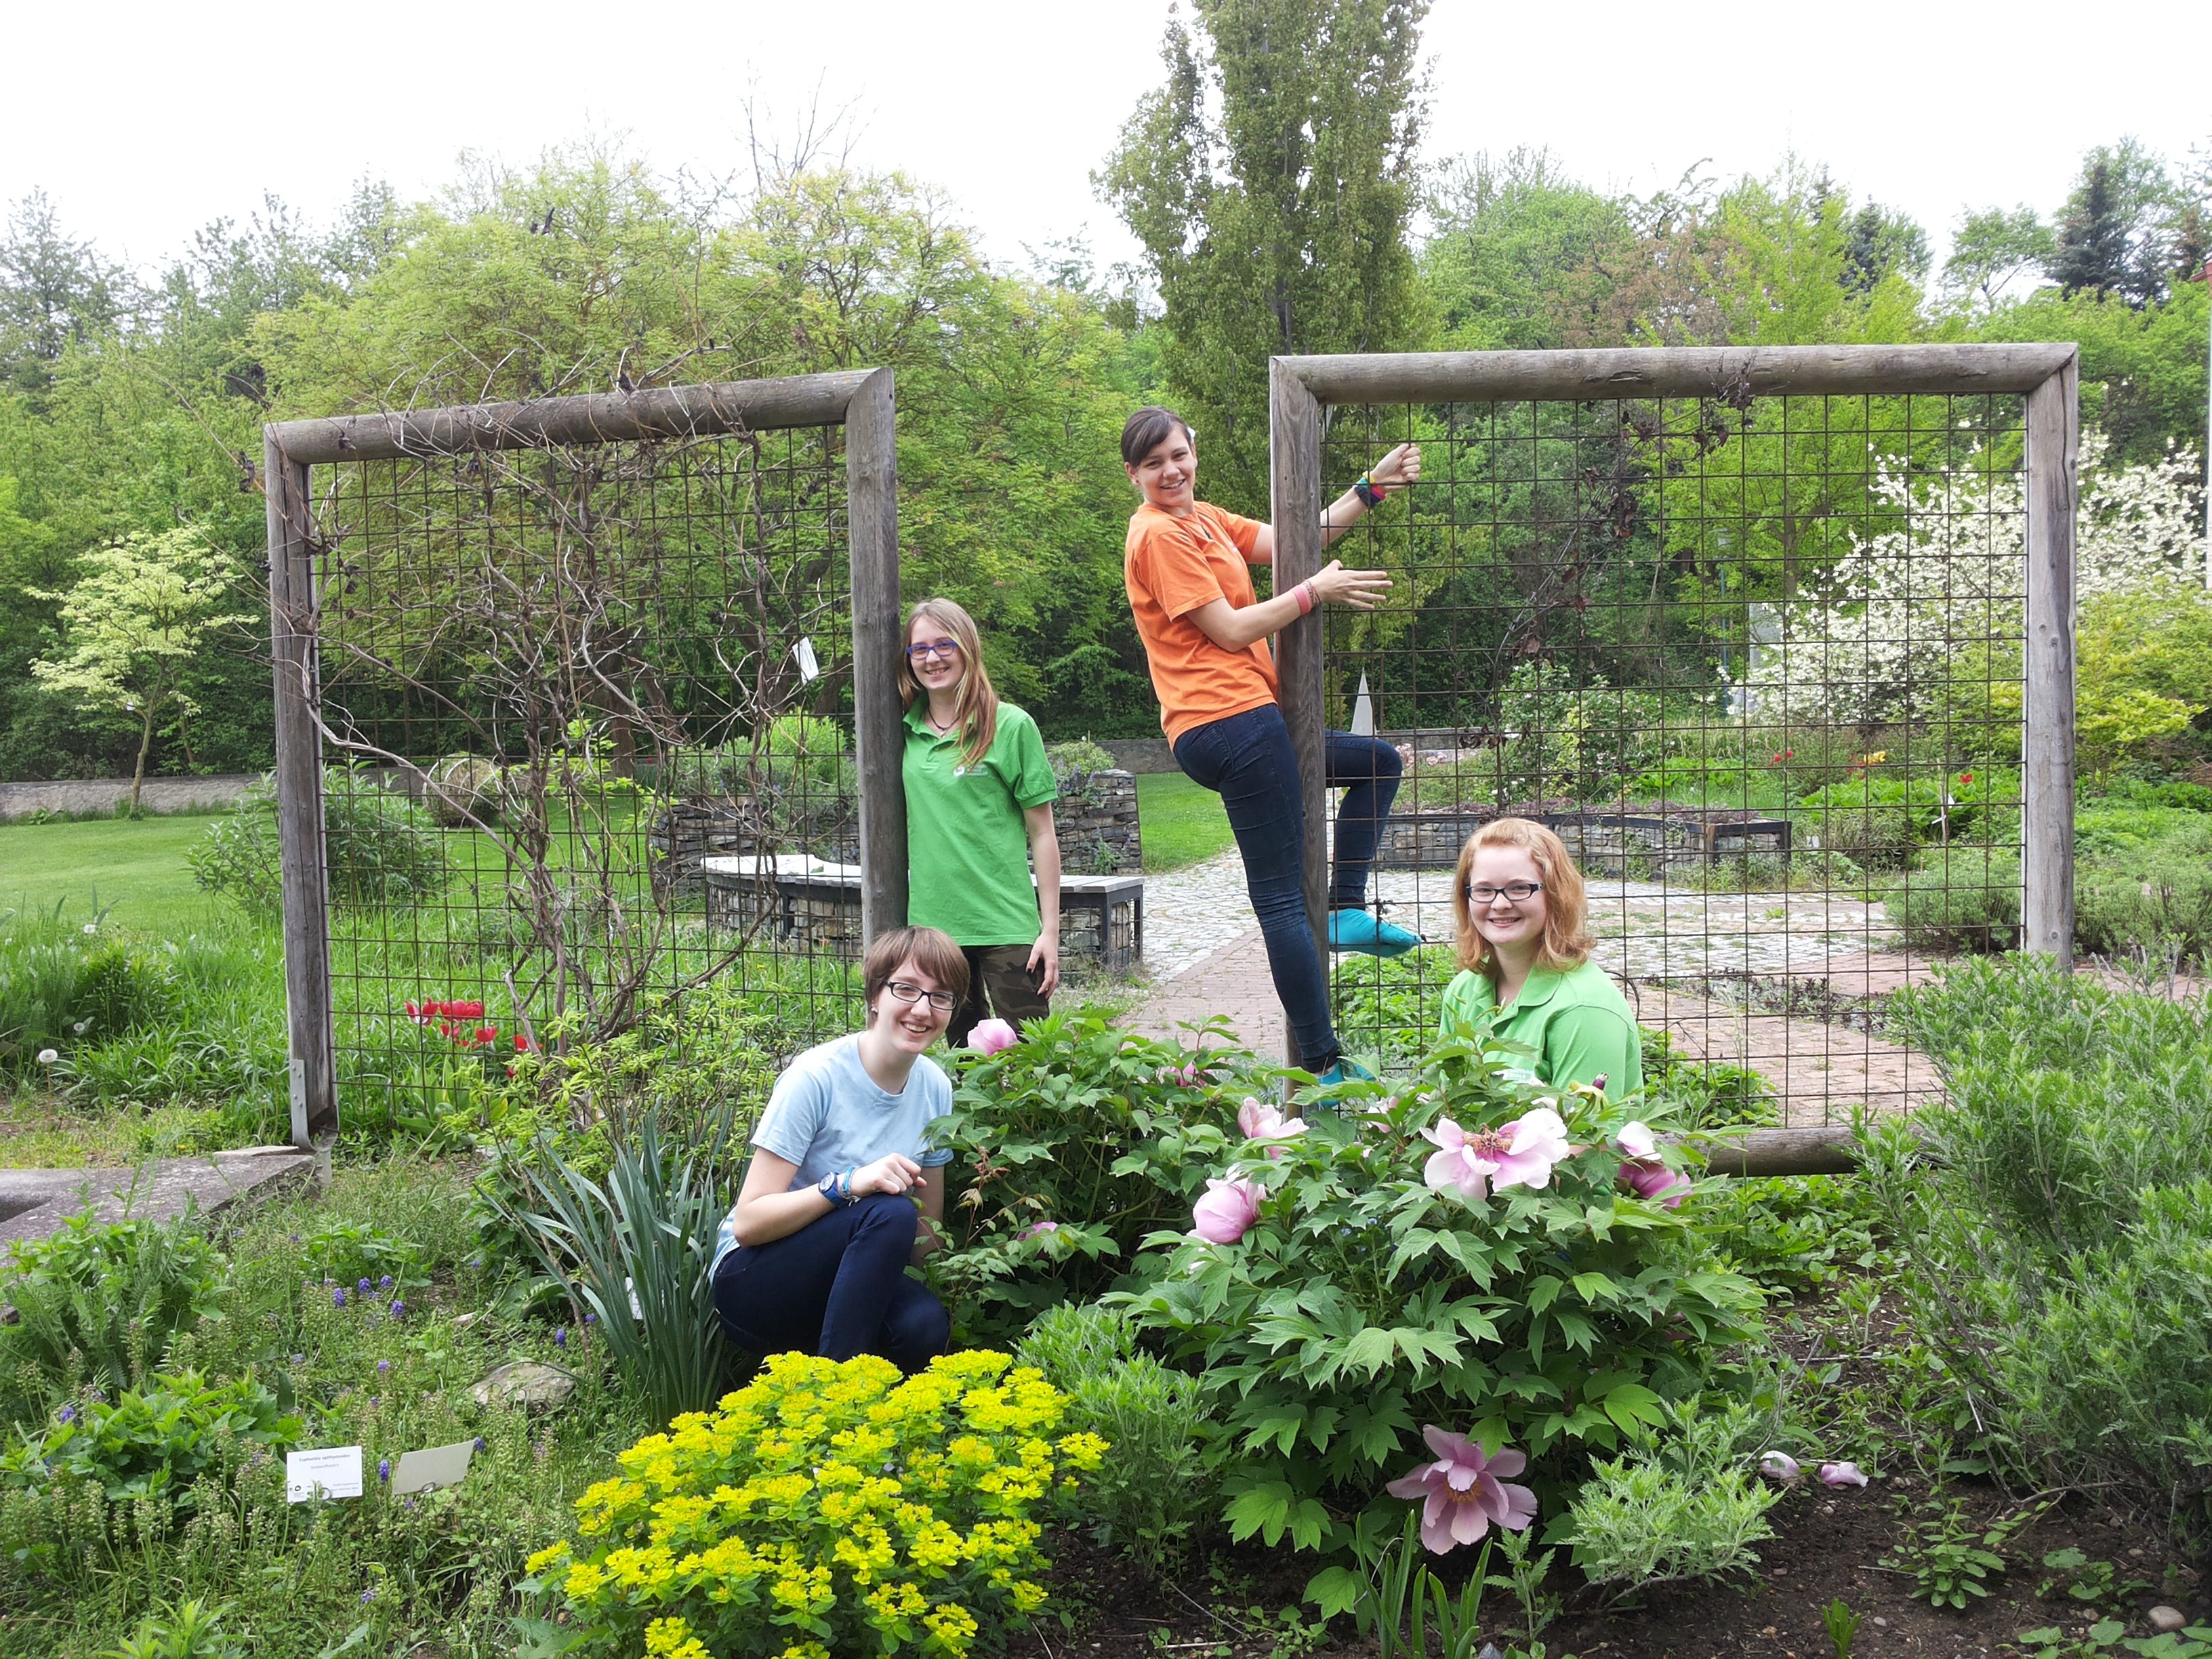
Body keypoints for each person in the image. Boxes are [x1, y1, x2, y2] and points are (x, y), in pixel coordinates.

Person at [1120, 404, 1420, 1084]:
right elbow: (1228, 630)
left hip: (1253, 721)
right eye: (1153, 463)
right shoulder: (1159, 536)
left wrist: (1370, 487)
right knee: (1282, 900)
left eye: (1178, 455)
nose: (1171, 470)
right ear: (1133, 474)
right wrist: (1315, 593)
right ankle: (1323, 1067)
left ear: (1192, 452)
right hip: (1227, 722)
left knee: (1378, 763)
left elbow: (1299, 537)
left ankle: (1344, 908)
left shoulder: (1207, 519)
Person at [710, 926, 964, 1372]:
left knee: (924, 1324)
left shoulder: (935, 1088)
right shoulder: (815, 1077)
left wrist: (956, 1293)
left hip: (848, 1289)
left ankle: (874, 1409)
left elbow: (929, 1234)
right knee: (888, 1211)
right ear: (874, 996)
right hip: (756, 1284)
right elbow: (749, 1223)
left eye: (940, 996)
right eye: (906, 989)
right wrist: (846, 1185)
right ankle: (833, 1402)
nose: (922, 1009)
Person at [899, 597, 1061, 1049]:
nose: (933, 658)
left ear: (968, 647)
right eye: (920, 649)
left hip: (1008, 928)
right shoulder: (900, 732)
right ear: (909, 659)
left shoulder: (1009, 726)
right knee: (966, 1065)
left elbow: (1043, 833)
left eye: (944, 644)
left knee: (1034, 1062)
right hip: (938, 933)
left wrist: (1049, 932)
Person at [1436, 817, 1642, 1099]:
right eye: (1484, 890)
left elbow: (1589, 1139)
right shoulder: (1464, 990)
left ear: (1556, 895)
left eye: (1519, 888)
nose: (1500, 904)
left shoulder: (1583, 1007)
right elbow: (1444, 1102)